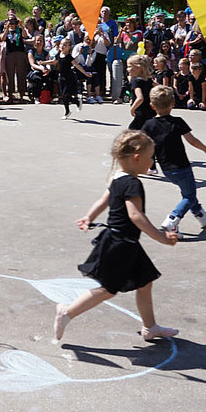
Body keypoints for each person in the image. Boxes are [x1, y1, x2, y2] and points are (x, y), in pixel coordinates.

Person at [53, 130, 180, 345]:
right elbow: (135, 215)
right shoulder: (132, 183)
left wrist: (89, 216)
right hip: (121, 244)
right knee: (108, 289)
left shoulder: (118, 177)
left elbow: (104, 200)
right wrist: (161, 237)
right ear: (137, 158)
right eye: (150, 157)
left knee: (144, 282)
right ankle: (66, 313)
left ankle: (150, 328)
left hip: (123, 242)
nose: (152, 162)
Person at [143, 86, 206, 232]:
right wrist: (205, 149)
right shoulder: (177, 122)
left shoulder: (148, 125)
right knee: (189, 196)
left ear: (152, 105)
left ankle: (202, 215)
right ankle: (172, 219)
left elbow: (141, 143)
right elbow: (192, 140)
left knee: (188, 192)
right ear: (173, 103)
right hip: (182, 166)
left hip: (166, 169)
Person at [53, 36, 86, 119]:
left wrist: (85, 73)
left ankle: (77, 101)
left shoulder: (69, 57)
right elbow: (53, 62)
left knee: (66, 95)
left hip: (69, 78)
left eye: (65, 45)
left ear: (69, 47)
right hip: (61, 78)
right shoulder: (58, 55)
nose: (62, 46)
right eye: (61, 44)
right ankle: (67, 111)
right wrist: (43, 62)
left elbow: (77, 65)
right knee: (63, 96)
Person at [126, 54, 154, 130]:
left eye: (129, 67)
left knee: (132, 132)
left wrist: (132, 109)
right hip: (151, 111)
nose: (127, 69)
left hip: (141, 113)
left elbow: (140, 98)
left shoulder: (135, 81)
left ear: (138, 68)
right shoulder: (149, 80)